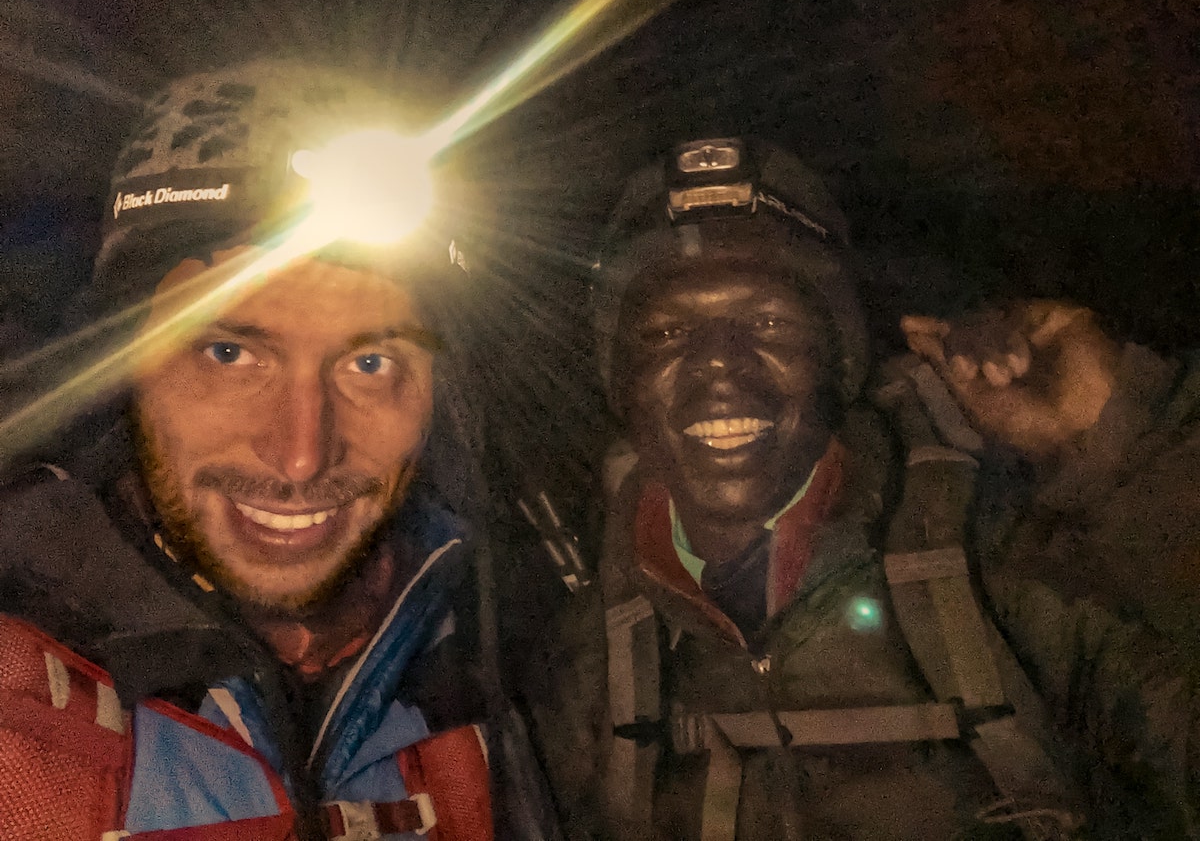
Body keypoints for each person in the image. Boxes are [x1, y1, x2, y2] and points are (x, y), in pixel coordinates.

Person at [526, 136, 1200, 840]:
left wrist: (1124, 443)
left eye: (765, 322)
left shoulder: (1004, 574)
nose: (717, 365)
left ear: (837, 358)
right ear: (621, 382)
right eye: (666, 331)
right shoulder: (589, 654)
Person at [0, 59, 559, 840]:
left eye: (370, 365)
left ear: (442, 396)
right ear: (127, 362)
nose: (301, 456)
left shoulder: (487, 655)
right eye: (229, 354)